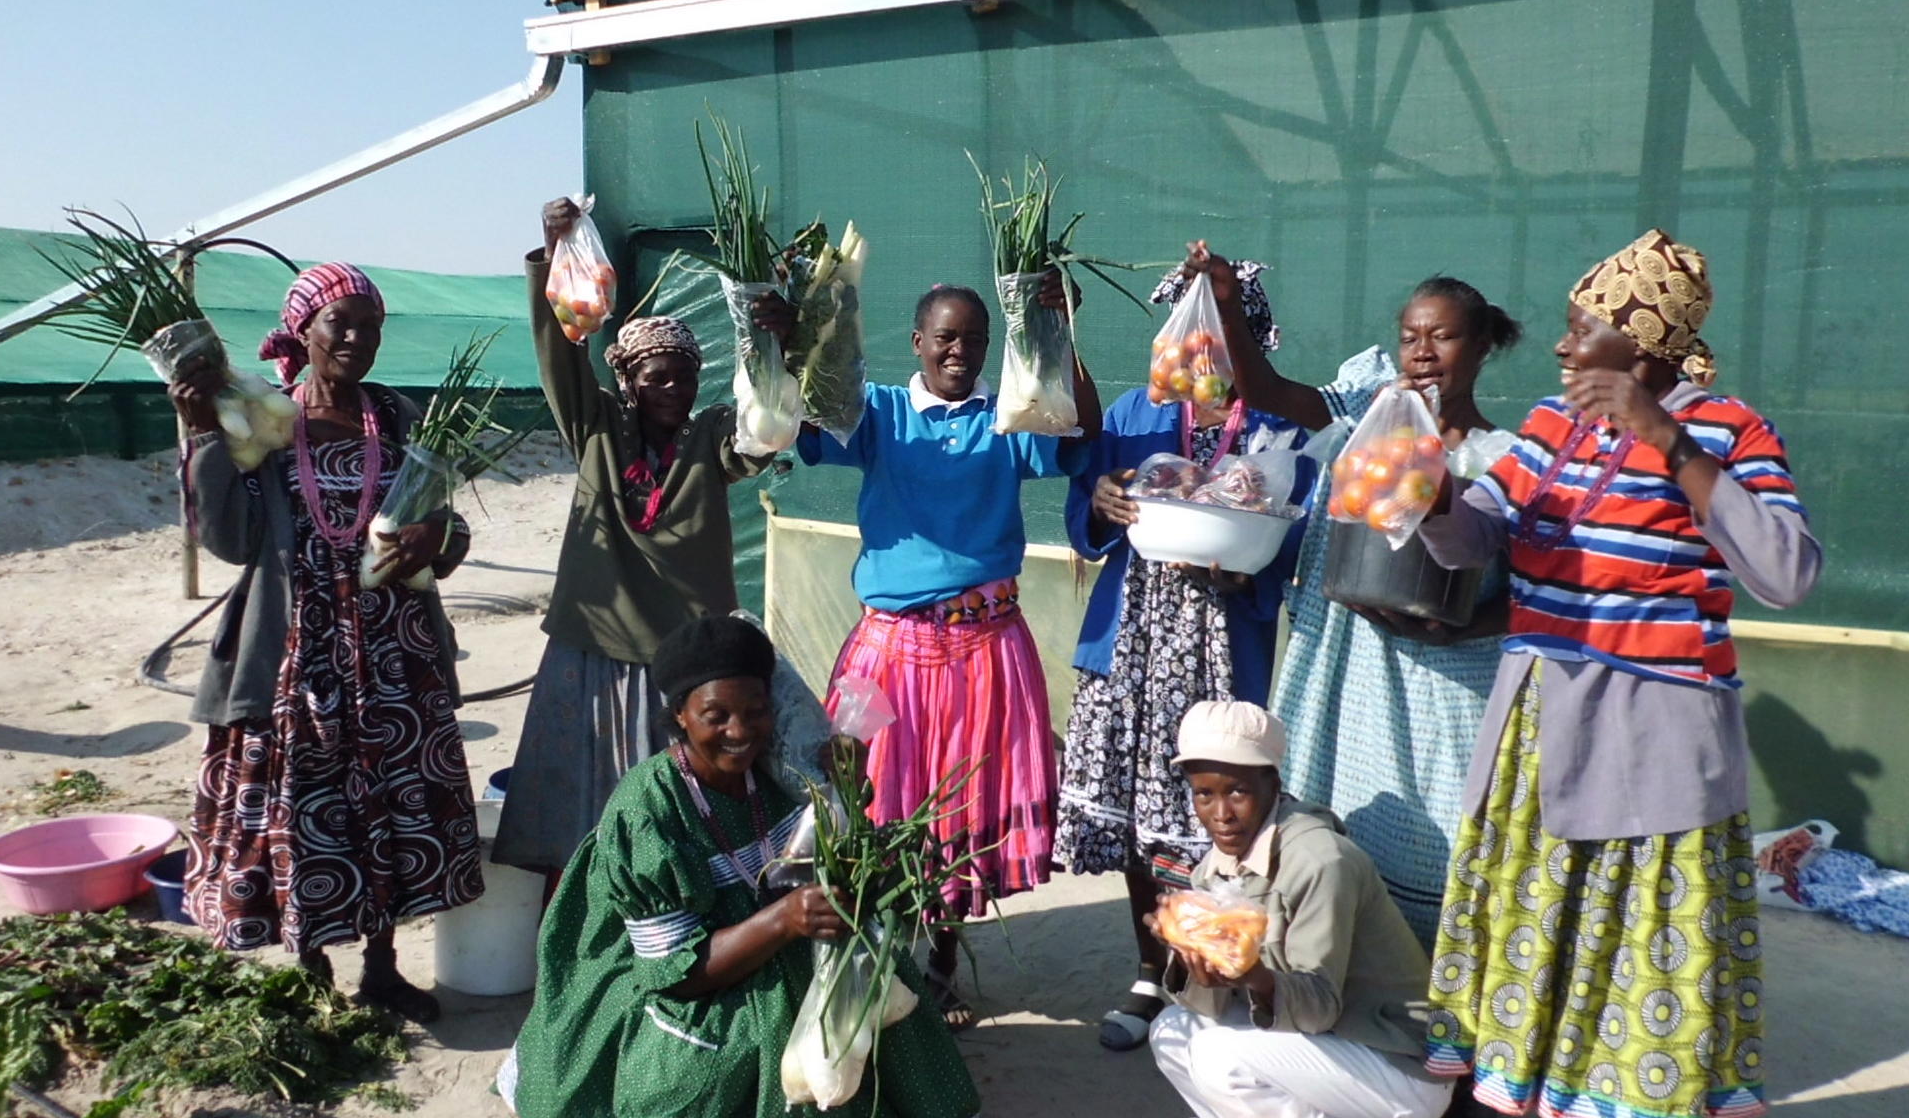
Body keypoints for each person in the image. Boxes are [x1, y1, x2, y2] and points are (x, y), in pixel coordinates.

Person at [1416, 232, 1818, 1118]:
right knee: (1547, 969)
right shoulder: (1548, 428)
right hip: (1539, 743)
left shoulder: (1728, 432)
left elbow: (1782, 569)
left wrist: (1669, 443)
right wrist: (1424, 498)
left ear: (1639, 344)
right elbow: (1471, 543)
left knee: (1645, 995)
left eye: (1580, 324)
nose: (1556, 342)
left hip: (1655, 764)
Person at [503, 615, 1011, 1118]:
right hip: (671, 979)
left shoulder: (774, 776)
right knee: (733, 1053)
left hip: (769, 942)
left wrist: (847, 806)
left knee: (886, 997)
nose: (739, 732)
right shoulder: (647, 811)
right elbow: (679, 974)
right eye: (716, 716)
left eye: (756, 711)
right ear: (680, 716)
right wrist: (781, 921)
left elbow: (816, 870)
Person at [1195, 244, 1525, 1118]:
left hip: (1447, 684)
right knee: (1343, 857)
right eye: (1411, 335)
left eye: (1444, 336)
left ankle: (1455, 1079)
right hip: (1349, 672)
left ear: (1480, 347)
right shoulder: (1367, 413)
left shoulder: (1504, 456)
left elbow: (1529, 584)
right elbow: (1266, 391)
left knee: (1452, 870)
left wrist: (1465, 628)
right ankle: (1346, 1035)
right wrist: (1224, 303)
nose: (1422, 353)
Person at [769, 279, 1098, 1026]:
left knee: (960, 808)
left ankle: (942, 966)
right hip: (890, 650)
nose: (959, 350)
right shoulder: (879, 412)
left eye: (974, 339)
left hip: (987, 647)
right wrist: (783, 343)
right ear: (916, 342)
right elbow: (789, 428)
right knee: (871, 800)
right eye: (945, 337)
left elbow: (1080, 440)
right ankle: (872, 955)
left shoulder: (1009, 415)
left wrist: (1058, 328)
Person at [173, 262, 482, 1023]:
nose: (354, 338)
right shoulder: (268, 419)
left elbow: (451, 528)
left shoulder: (400, 417)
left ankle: (382, 968)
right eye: (338, 323)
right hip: (296, 651)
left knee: (389, 798)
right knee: (304, 804)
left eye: (369, 325)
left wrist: (436, 532)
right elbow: (232, 539)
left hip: (395, 652)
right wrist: (205, 437)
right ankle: (310, 968)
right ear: (302, 331)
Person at [1058, 255, 1313, 1052]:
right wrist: (1100, 502)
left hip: (1219, 644)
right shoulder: (1137, 412)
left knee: (1224, 810)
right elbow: (1088, 521)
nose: (1201, 354)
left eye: (1220, 337)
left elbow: (1298, 533)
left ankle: (1217, 971)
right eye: (1189, 337)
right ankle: (1149, 966)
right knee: (1142, 810)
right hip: (1133, 638)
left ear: (1250, 338)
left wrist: (1249, 572)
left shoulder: (1279, 427)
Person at [494, 199, 777, 893]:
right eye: (656, 376)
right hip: (593, 645)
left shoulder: (711, 435)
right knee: (580, 806)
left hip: (681, 658)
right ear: (628, 380)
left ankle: (679, 914)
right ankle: (576, 929)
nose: (672, 389)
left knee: (679, 809)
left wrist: (776, 349)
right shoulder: (597, 429)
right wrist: (554, 250)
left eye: (683, 375)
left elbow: (762, 436)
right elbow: (561, 354)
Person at [1148, 701, 1448, 1118]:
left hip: (1399, 1067)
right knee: (1171, 1032)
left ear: (1272, 784)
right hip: (1326, 1052)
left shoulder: (1321, 861)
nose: (1221, 814)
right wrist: (1188, 955)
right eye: (1205, 794)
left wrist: (1255, 978)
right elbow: (1215, 999)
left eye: (1238, 791)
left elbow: (1320, 1008)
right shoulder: (1217, 865)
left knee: (1221, 1058)